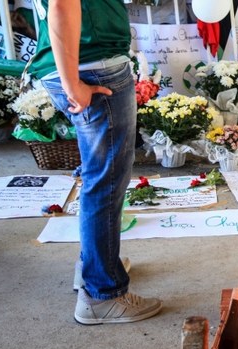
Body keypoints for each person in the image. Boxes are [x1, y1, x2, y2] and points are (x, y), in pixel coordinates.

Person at [30, 0, 161, 324]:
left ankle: (95, 267)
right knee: (106, 180)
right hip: (92, 65)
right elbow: (62, 4)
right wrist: (71, 82)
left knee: (101, 177)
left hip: (86, 60)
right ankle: (103, 293)